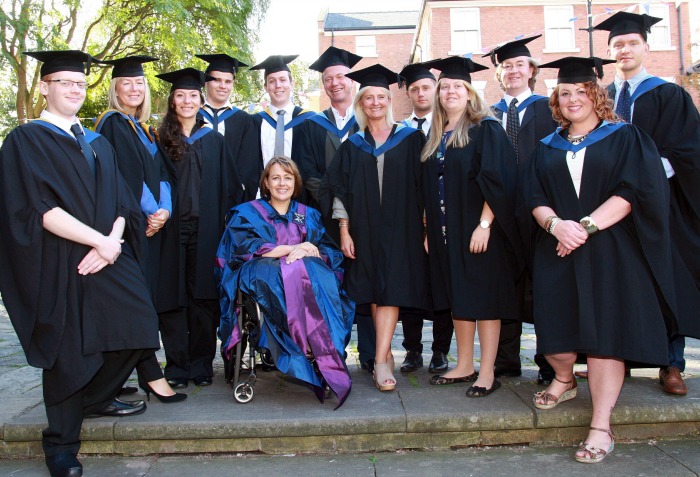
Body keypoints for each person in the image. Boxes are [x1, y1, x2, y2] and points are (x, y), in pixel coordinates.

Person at [524, 56, 698, 463]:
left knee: (604, 338)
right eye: (564, 93)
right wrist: (555, 227)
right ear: (556, 100)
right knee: (555, 332)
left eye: (581, 91)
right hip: (558, 248)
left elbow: (633, 191)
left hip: (609, 250)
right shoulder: (547, 146)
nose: (572, 99)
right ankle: (564, 378)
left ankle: (601, 426)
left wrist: (582, 227)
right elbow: (533, 196)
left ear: (596, 94)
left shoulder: (625, 138)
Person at [0, 50, 161, 477]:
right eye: (64, 82)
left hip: (108, 250)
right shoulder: (26, 140)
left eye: (79, 83)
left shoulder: (96, 141)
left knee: (139, 324)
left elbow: (122, 198)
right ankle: (61, 444)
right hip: (61, 260)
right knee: (68, 350)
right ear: (44, 86)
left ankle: (95, 397)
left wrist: (111, 240)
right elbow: (36, 208)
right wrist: (99, 243)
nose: (73, 89)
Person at [593, 11, 700, 396]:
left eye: (631, 43)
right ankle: (614, 357)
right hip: (609, 208)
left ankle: (672, 363)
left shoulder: (669, 93)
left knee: (665, 277)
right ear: (609, 51)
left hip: (660, 206)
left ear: (646, 47)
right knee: (617, 279)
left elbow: (688, 150)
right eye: (618, 44)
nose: (624, 49)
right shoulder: (599, 98)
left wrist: (646, 179)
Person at [322, 64, 429, 392]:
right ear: (361, 103)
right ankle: (383, 352)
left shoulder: (411, 139)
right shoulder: (353, 145)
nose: (375, 102)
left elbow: (424, 186)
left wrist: (425, 229)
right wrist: (344, 230)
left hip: (402, 228)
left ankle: (381, 359)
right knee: (374, 289)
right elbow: (338, 190)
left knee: (390, 289)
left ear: (390, 100)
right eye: (369, 97)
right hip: (365, 229)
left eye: (381, 96)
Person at [420, 56, 523, 398]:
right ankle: (464, 364)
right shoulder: (436, 134)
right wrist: (427, 230)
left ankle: (488, 371)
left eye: (457, 86)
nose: (450, 91)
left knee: (484, 299)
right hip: (445, 230)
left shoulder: (485, 128)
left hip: (478, 229)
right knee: (458, 298)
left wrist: (485, 223)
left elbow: (500, 181)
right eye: (444, 86)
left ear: (469, 92)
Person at [217, 156, 355, 406]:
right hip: (261, 273)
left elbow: (329, 251)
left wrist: (309, 249)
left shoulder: (308, 215)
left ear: (296, 182)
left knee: (318, 274)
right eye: (276, 178)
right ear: (266, 184)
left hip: (307, 272)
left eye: (288, 178)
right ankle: (305, 342)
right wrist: (293, 248)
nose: (282, 183)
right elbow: (242, 248)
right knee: (287, 273)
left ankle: (323, 346)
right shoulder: (247, 213)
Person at [94, 55, 186, 404]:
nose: (134, 88)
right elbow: (124, 176)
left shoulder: (144, 128)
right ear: (115, 89)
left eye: (139, 83)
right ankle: (151, 377)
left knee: (141, 303)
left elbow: (163, 173)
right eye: (126, 83)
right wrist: (152, 211)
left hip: (150, 226)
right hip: (128, 228)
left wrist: (165, 209)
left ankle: (133, 377)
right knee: (137, 306)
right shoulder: (114, 124)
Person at [156, 67, 244, 388]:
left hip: (207, 232)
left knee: (204, 298)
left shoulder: (214, 141)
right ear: (172, 100)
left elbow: (232, 189)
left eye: (193, 95)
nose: (187, 100)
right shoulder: (161, 140)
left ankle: (202, 364)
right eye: (180, 95)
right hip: (170, 232)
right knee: (174, 296)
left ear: (201, 99)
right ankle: (177, 366)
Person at [296, 46, 378, 373]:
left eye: (341, 76)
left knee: (369, 284)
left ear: (352, 81)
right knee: (330, 288)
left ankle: (373, 356)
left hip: (369, 221)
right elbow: (306, 174)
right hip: (325, 220)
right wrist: (337, 201)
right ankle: (332, 355)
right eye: (328, 78)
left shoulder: (371, 124)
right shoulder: (309, 126)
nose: (335, 83)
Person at [483, 36, 557, 386]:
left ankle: (549, 361)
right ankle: (506, 360)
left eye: (518, 65)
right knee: (503, 285)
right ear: (499, 75)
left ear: (531, 72)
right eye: (505, 66)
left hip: (542, 211)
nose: (511, 71)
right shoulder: (488, 115)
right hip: (499, 214)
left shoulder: (551, 109)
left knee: (545, 286)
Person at [397, 62, 454, 375]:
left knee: (442, 286)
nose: (420, 93)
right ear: (408, 93)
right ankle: (412, 351)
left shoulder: (448, 128)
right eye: (415, 88)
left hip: (441, 221)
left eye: (426, 87)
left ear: (436, 90)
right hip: (408, 222)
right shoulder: (401, 132)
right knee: (411, 288)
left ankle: (441, 351)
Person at [196, 53, 261, 202]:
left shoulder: (244, 120)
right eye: (217, 80)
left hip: (231, 199)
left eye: (227, 81)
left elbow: (249, 165)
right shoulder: (192, 115)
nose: (223, 86)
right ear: (206, 82)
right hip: (195, 197)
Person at [250, 55, 315, 198]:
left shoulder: (309, 121)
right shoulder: (254, 122)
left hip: (300, 200)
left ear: (292, 84)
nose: (278, 85)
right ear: (266, 87)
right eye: (272, 81)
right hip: (263, 200)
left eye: (283, 80)